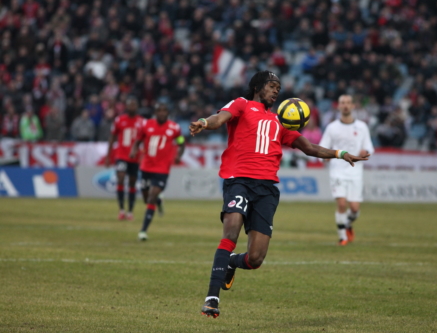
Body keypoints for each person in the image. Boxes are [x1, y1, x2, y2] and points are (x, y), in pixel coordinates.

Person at [189, 71, 369, 318]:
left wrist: (341, 154)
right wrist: (204, 122)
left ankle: (232, 262)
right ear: (258, 87)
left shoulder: (281, 122)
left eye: (278, 88)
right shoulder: (242, 104)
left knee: (256, 259)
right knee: (230, 230)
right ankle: (211, 298)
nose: (276, 91)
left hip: (266, 190)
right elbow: (220, 118)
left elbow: (309, 147)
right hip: (238, 180)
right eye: (272, 86)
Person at [319, 95, 374, 246]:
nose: (345, 105)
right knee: (342, 204)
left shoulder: (362, 127)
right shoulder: (332, 128)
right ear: (338, 106)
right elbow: (322, 148)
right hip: (337, 171)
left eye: (348, 103)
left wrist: (365, 151)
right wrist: (325, 157)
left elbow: (370, 147)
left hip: (355, 172)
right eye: (343, 103)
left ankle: (348, 224)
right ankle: (342, 237)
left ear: (353, 106)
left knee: (355, 209)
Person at [130, 102, 185, 241]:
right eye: (159, 111)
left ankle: (143, 231)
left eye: (164, 111)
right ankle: (159, 201)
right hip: (146, 166)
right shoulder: (146, 125)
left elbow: (181, 142)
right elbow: (138, 140)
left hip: (162, 169)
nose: (161, 113)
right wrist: (134, 149)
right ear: (155, 113)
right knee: (145, 197)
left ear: (167, 113)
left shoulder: (174, 128)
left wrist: (178, 155)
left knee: (151, 197)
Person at [105, 96, 143, 220]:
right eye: (130, 104)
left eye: (134, 105)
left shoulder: (142, 122)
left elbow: (146, 140)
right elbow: (112, 137)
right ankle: (121, 210)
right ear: (126, 106)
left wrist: (143, 155)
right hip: (121, 155)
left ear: (137, 107)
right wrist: (108, 155)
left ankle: (130, 211)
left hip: (135, 157)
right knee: (120, 177)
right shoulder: (119, 120)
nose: (132, 107)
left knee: (132, 182)